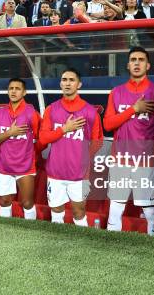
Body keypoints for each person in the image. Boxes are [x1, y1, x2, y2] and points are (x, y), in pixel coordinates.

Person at [104, 47, 154, 235]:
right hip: (120, 159)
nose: (137, 63)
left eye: (141, 59)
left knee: (151, 210)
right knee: (116, 208)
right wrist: (134, 109)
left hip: (147, 160)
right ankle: (111, 249)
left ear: (148, 65)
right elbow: (108, 124)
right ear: (128, 65)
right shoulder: (117, 92)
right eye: (133, 60)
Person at [39, 68, 103, 226]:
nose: (67, 83)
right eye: (64, 79)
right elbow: (43, 138)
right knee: (56, 213)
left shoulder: (89, 111)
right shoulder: (51, 109)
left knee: (79, 212)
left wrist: (82, 158)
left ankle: (82, 247)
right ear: (60, 83)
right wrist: (64, 129)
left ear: (79, 84)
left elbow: (98, 140)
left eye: (71, 80)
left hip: (79, 174)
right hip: (55, 172)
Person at [0, 78, 41, 219]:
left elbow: (42, 139)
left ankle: (31, 234)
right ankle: (5, 233)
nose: (13, 91)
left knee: (27, 203)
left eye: (17, 88)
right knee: (4, 201)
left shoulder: (31, 113)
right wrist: (9, 133)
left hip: (25, 166)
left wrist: (31, 153)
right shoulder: (0, 113)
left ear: (24, 92)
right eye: (11, 88)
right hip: (4, 166)